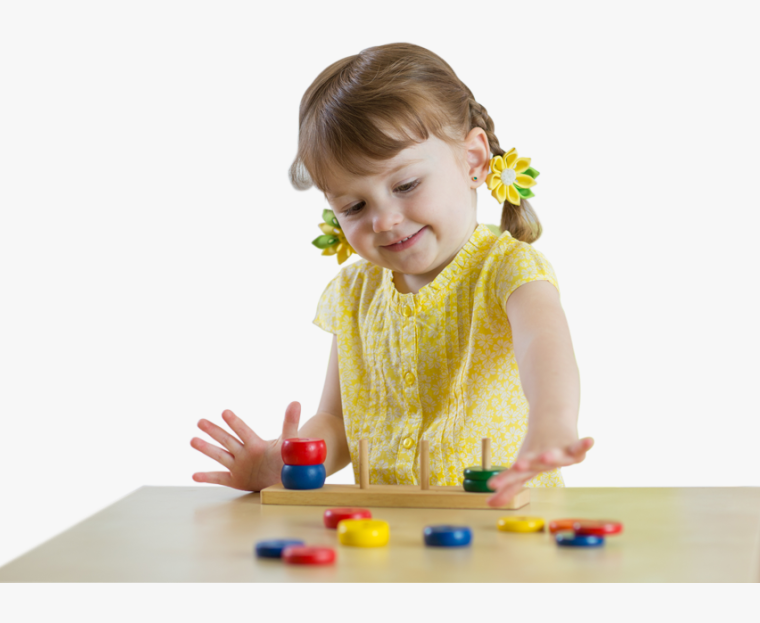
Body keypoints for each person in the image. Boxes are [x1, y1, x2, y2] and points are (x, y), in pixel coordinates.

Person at [190, 42, 593, 507]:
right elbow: (337, 423)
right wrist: (288, 460)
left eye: (406, 185)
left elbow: (545, 351)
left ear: (473, 160)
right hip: (392, 527)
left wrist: (552, 423)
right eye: (354, 206)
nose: (383, 220)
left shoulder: (507, 268)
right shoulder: (353, 294)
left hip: (505, 521)